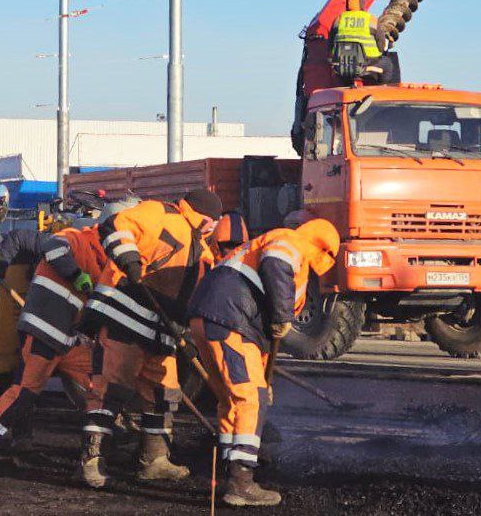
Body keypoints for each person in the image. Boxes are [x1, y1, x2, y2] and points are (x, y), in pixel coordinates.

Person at [76, 188, 223, 489]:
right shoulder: (160, 214)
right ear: (204, 216)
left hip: (160, 334)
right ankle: (92, 461)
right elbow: (115, 225)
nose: (214, 228)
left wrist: (190, 332)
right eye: (213, 221)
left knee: (164, 394)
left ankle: (154, 461)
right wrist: (129, 258)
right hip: (123, 321)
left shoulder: (202, 250)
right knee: (109, 390)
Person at [188, 219, 342, 507]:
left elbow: (260, 338)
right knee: (251, 399)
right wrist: (283, 316)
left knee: (230, 398)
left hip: (207, 318)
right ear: (324, 249)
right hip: (231, 319)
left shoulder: (258, 245)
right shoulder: (291, 241)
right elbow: (276, 264)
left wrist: (262, 375)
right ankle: (241, 482)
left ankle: (230, 466)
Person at [0, 223, 109, 476]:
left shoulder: (108, 264)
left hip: (68, 339)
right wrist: (2, 264)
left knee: (100, 383)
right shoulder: (74, 240)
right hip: (43, 332)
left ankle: (92, 459)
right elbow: (41, 244)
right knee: (24, 392)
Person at [331, 0, 386, 84]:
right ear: (362, 4)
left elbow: (330, 45)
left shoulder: (338, 19)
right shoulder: (371, 19)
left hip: (342, 66)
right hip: (367, 64)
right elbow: (381, 46)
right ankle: (383, 91)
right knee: (388, 64)